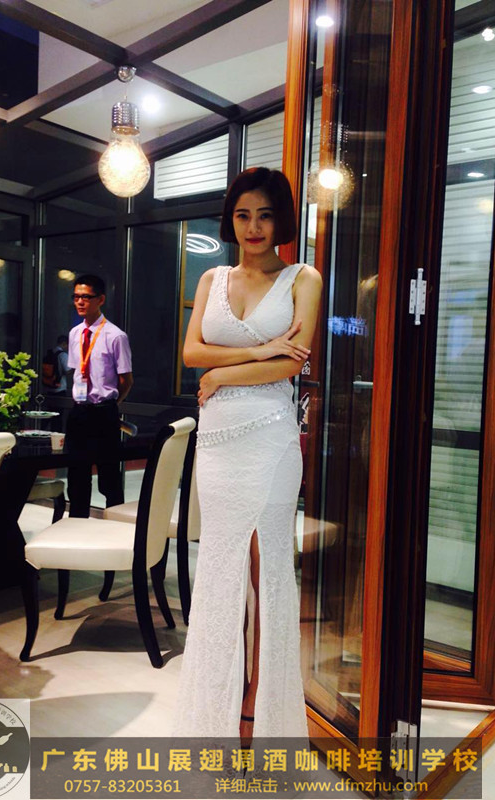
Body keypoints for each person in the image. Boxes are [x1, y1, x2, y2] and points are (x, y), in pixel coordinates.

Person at [173, 167, 322, 741]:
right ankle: (218, 701)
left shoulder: (303, 278)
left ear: (281, 220)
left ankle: (260, 703)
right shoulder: (212, 277)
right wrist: (256, 352)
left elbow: (292, 364)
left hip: (271, 438)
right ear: (230, 219)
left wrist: (221, 375)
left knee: (268, 572)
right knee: (219, 570)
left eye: (265, 215)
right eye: (243, 215)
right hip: (217, 443)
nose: (254, 226)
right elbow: (190, 353)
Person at [65, 274, 133, 518]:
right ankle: (77, 524)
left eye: (86, 297)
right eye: (76, 297)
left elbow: (126, 380)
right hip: (79, 411)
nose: (80, 302)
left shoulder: (115, 336)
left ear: (100, 299)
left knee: (109, 477)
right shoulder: (75, 334)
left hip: (104, 411)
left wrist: (111, 404)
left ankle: (115, 526)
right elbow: (77, 370)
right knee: (76, 475)